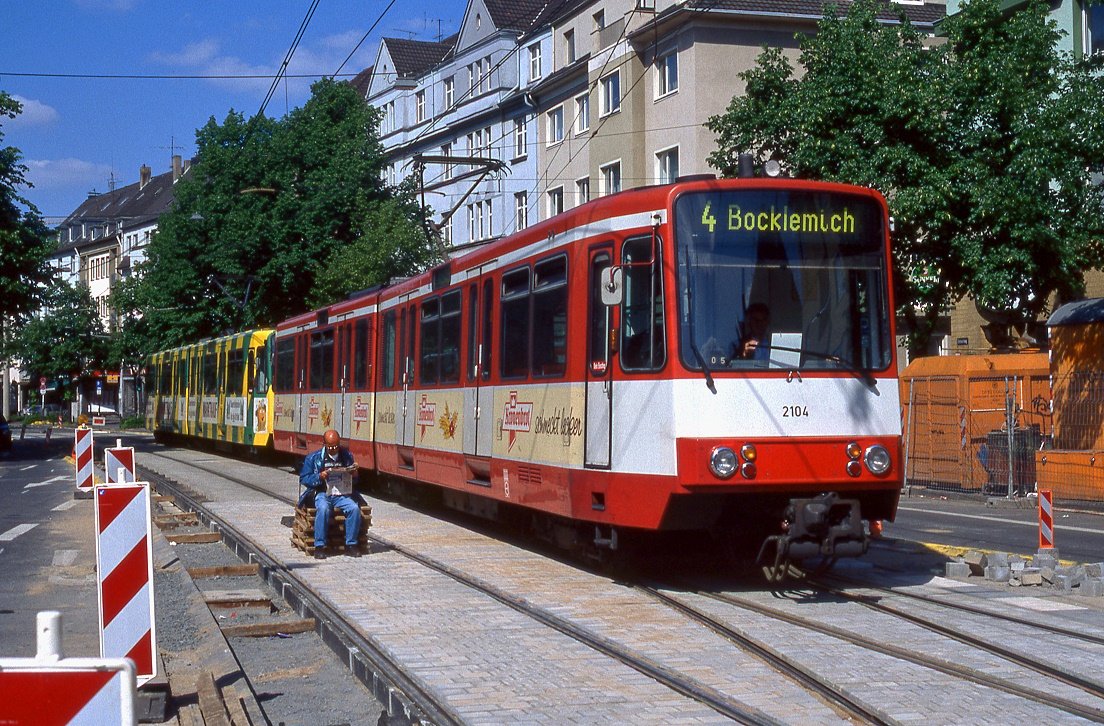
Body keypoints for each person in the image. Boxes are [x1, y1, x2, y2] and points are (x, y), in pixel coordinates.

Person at [299, 429, 364, 559]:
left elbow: (355, 480)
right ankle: (320, 546)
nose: (333, 449)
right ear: (324, 444)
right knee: (323, 509)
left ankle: (351, 544)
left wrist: (354, 474)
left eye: (336, 446)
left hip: (341, 494)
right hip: (322, 492)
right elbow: (304, 478)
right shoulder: (313, 458)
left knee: (354, 508)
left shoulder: (346, 456)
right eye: (330, 446)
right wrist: (319, 477)